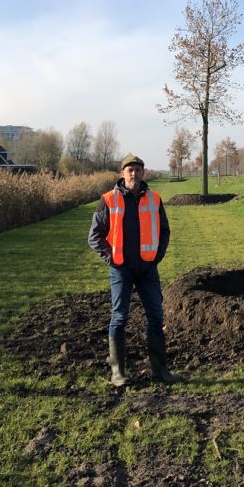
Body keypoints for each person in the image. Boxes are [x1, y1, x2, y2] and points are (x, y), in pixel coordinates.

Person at [88, 154, 178, 386]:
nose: (134, 174)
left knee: (156, 318)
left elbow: (165, 231)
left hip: (148, 269)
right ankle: (118, 373)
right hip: (121, 270)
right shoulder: (107, 200)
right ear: (122, 173)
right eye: (129, 170)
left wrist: (156, 257)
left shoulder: (155, 199)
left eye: (138, 170)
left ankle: (160, 371)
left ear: (143, 173)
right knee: (119, 317)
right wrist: (111, 259)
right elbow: (94, 236)